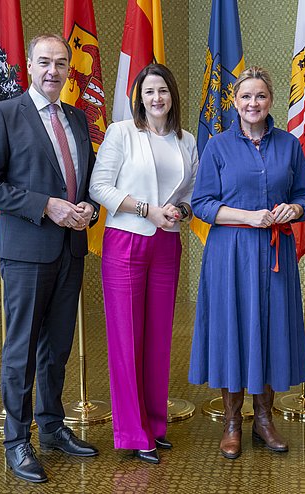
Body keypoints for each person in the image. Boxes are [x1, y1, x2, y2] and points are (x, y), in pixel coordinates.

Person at [0, 34, 100, 483]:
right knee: (22, 349)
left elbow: (85, 183)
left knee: (57, 348)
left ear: (68, 70)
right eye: (44, 62)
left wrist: (89, 208)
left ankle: (51, 427)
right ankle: (16, 440)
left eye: (61, 63)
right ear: (29, 65)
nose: (53, 71)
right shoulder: (3, 115)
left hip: (71, 249)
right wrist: (47, 205)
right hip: (27, 252)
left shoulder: (78, 119)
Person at [188, 66, 305, 460]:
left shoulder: (290, 144)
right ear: (235, 102)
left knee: (271, 330)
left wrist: (293, 208)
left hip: (275, 255)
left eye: (260, 96)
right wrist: (248, 216)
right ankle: (231, 422)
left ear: (270, 101)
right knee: (234, 331)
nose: (252, 103)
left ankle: (264, 418)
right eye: (245, 97)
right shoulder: (217, 146)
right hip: (231, 254)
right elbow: (202, 204)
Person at [89, 63, 198, 465]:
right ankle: (132, 432)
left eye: (163, 91)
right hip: (126, 242)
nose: (157, 98)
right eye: (149, 92)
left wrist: (181, 211)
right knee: (126, 339)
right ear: (139, 97)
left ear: (173, 96)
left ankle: (154, 423)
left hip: (167, 244)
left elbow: (192, 190)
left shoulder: (186, 140)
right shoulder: (121, 132)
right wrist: (147, 209)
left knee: (158, 338)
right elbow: (98, 186)